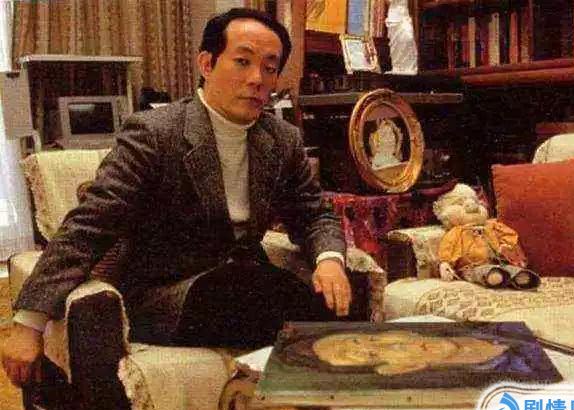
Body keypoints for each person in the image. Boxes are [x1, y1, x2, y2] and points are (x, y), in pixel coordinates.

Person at [2, 8, 352, 388]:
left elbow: (314, 214)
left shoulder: (282, 139)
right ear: (207, 63)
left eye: (269, 68)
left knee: (335, 302)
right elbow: (89, 225)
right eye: (242, 61)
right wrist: (29, 322)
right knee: (260, 296)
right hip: (166, 294)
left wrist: (329, 260)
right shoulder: (156, 133)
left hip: (249, 287)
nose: (257, 79)